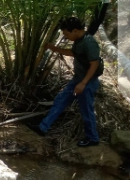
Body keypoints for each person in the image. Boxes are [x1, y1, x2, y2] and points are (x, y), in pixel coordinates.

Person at [37, 17, 104, 147]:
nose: (66, 37)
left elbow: (94, 64)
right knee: (61, 100)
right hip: (78, 79)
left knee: (86, 109)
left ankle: (93, 138)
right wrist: (54, 48)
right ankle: (42, 128)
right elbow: (73, 53)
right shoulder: (79, 41)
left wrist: (83, 83)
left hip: (87, 81)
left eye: (67, 34)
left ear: (75, 31)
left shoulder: (89, 42)